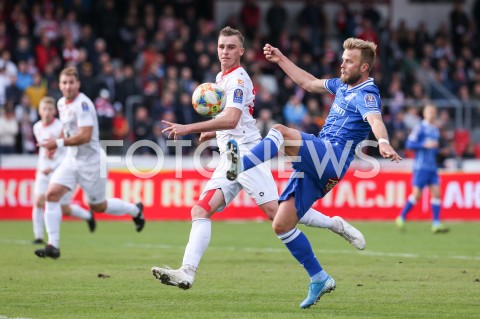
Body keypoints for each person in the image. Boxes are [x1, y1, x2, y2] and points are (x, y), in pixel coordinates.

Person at [151, 27, 365, 291]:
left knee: (279, 215)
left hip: (246, 153)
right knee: (201, 210)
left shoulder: (238, 79)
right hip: (228, 158)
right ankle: (187, 272)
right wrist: (210, 131)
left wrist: (187, 127)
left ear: (241, 51)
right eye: (221, 47)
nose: (224, 52)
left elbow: (231, 119)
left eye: (231, 47)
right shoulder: (220, 77)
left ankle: (335, 224)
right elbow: (230, 121)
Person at [225, 38, 402, 309]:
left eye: (349, 61)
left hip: (332, 156)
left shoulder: (367, 93)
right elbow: (309, 83)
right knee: (281, 225)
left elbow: (375, 120)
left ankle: (238, 166)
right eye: (343, 59)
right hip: (320, 166)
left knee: (281, 131)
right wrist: (281, 59)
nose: (343, 63)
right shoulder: (343, 84)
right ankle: (319, 277)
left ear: (364, 67)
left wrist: (383, 141)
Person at [34, 67, 145, 259]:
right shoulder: (61, 103)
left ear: (78, 84)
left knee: (98, 207)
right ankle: (53, 245)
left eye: (71, 82)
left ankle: (135, 210)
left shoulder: (83, 104)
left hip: (93, 162)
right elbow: (67, 129)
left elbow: (85, 136)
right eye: (64, 83)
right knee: (51, 195)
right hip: (71, 159)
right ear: (59, 85)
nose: (68, 86)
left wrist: (58, 142)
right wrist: (57, 145)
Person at [32, 96, 96, 244]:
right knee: (38, 201)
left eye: (49, 109)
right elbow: (45, 151)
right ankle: (39, 236)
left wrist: (53, 166)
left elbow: (67, 151)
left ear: (54, 111)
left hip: (60, 169)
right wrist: (44, 165)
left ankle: (87, 216)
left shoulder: (61, 127)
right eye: (44, 109)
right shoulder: (37, 127)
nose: (47, 112)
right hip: (43, 170)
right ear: (39, 111)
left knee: (64, 208)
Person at [396, 103, 448, 234]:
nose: (432, 114)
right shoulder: (419, 128)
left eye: (434, 111)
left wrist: (441, 153)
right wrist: (424, 144)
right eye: (430, 111)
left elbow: (434, 149)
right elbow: (409, 144)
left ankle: (436, 223)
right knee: (416, 195)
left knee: (437, 193)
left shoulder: (435, 130)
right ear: (424, 113)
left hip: (432, 167)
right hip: (421, 167)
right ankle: (401, 217)